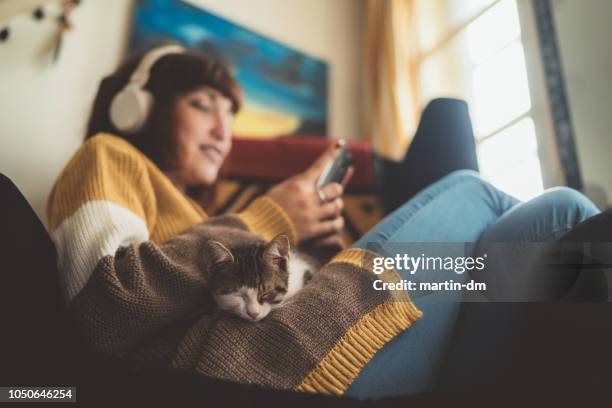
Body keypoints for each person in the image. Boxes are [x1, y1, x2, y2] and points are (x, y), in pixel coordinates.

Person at [47, 46, 601, 398]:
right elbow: (104, 301)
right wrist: (269, 216)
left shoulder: (201, 214)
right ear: (137, 108)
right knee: (476, 189)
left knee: (562, 215)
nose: (223, 129)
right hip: (256, 365)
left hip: (318, 342)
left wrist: (312, 254)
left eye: (229, 114)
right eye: (202, 104)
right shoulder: (109, 157)